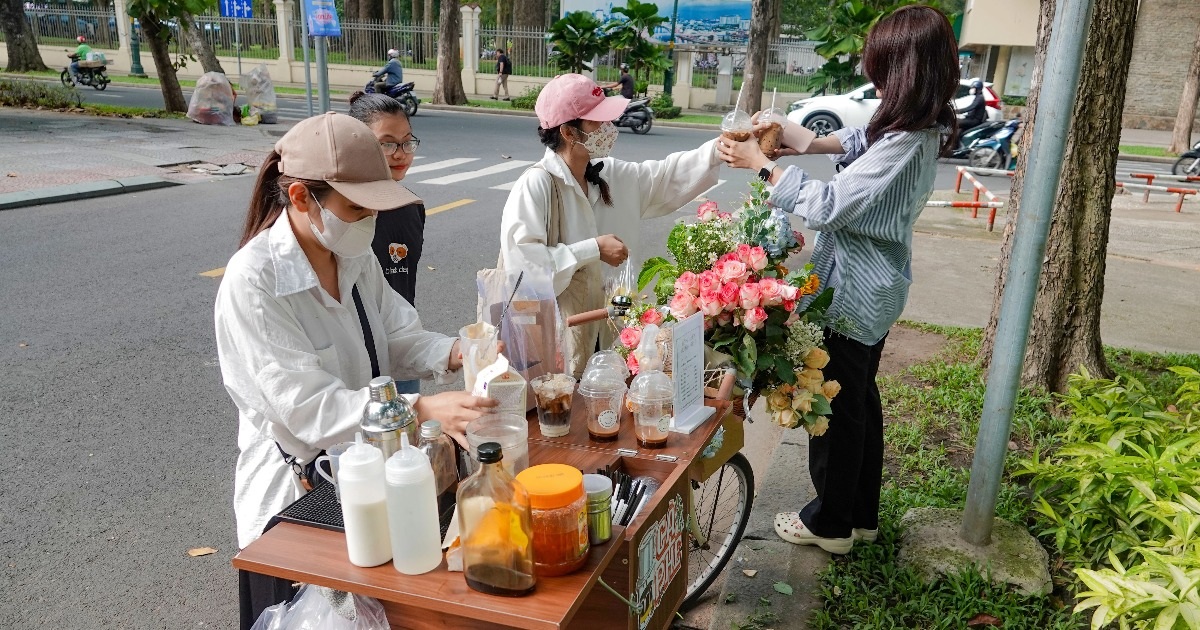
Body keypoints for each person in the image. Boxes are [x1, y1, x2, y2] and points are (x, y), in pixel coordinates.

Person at [214, 112, 497, 628]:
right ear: (301, 197)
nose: (368, 219)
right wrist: (423, 407)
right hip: (299, 502)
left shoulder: (352, 253)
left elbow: (396, 336)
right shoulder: (253, 283)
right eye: (356, 207)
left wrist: (458, 350)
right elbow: (309, 410)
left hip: (369, 479)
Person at [716, 5, 960, 555]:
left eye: (880, 66)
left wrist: (761, 163)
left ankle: (830, 524)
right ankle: (860, 516)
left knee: (838, 413)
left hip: (856, 292)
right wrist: (787, 138)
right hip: (871, 289)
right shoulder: (912, 128)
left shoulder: (906, 142)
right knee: (860, 405)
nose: (872, 76)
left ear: (904, 70)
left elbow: (828, 204)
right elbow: (850, 144)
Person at [499, 73, 721, 376]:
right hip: (562, 343)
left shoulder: (612, 175)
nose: (608, 129)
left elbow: (668, 176)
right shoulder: (537, 185)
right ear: (568, 132)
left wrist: (722, 148)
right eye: (597, 122)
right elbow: (526, 273)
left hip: (618, 335)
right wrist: (591, 249)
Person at [348, 90, 425, 395]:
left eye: (407, 141)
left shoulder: (411, 206)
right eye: (387, 143)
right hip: (355, 355)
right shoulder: (343, 210)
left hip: (401, 346)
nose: (401, 152)